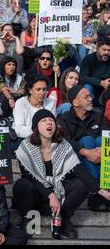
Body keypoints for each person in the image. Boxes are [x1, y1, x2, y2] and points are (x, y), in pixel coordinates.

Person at [13, 110, 110, 238]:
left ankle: (63, 220)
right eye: (44, 121)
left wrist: (101, 190)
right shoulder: (25, 147)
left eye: (51, 120)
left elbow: (78, 170)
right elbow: (30, 177)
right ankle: (29, 219)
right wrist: (50, 195)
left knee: (81, 184)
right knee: (23, 184)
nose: (49, 123)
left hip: (59, 199)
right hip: (35, 197)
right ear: (36, 127)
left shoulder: (63, 145)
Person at [58, 85, 109, 182]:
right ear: (75, 102)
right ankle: (100, 186)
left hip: (101, 156)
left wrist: (102, 150)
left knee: (101, 140)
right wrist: (86, 152)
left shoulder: (99, 116)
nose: (90, 99)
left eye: (90, 96)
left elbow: (107, 134)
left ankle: (103, 185)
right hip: (75, 160)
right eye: (86, 97)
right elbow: (64, 141)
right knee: (87, 140)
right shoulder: (63, 119)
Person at [12, 75, 56, 141]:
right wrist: (41, 130)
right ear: (30, 90)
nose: (42, 93)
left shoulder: (50, 103)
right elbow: (19, 130)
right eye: (38, 89)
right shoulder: (21, 103)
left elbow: (53, 126)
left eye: (44, 89)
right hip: (24, 140)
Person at [0, 56, 26, 127]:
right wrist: (10, 98)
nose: (12, 67)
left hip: (14, 104)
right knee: (3, 99)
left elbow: (24, 91)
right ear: (3, 66)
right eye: (9, 64)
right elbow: (2, 88)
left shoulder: (19, 78)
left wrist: (14, 91)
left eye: (14, 65)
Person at [80, 38, 110, 106]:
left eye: (109, 50)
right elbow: (82, 78)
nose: (106, 53)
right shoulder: (88, 59)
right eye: (104, 50)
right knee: (87, 87)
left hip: (107, 93)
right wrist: (101, 83)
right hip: (93, 93)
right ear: (97, 48)